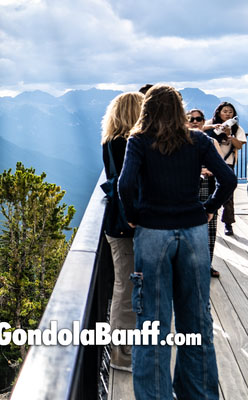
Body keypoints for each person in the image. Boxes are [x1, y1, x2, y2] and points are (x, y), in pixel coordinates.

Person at [118, 85, 236, 400]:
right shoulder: (197, 141)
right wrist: (209, 209)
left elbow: (125, 183)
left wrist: (133, 215)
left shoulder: (139, 141)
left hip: (154, 234)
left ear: (148, 110)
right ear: (178, 111)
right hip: (195, 234)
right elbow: (229, 179)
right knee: (196, 319)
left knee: (153, 323)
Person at [101, 92, 144, 372]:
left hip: (117, 223)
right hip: (126, 225)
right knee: (126, 288)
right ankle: (122, 355)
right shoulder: (127, 144)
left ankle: (124, 348)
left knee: (124, 286)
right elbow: (128, 184)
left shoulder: (110, 141)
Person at [187, 109, 222, 278]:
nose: (195, 122)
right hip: (189, 189)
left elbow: (220, 167)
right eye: (191, 119)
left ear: (203, 122)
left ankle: (206, 264)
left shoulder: (211, 142)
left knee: (210, 229)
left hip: (208, 187)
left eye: (198, 119)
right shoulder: (182, 142)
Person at [203, 101, 246, 236]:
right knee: (209, 191)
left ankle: (228, 223)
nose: (227, 114)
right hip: (208, 163)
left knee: (227, 194)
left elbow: (239, 145)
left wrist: (229, 135)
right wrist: (212, 126)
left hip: (227, 162)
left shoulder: (236, 128)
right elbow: (198, 131)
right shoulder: (210, 124)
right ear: (218, 112)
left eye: (230, 112)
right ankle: (209, 218)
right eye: (225, 111)